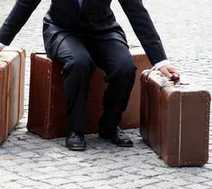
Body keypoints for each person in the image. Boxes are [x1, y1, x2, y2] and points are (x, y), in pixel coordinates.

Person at [0, 0, 179, 151]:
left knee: (124, 68)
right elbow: (25, 4)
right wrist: (1, 41)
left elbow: (137, 12)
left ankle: (109, 126)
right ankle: (75, 130)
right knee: (78, 62)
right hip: (61, 30)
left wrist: (161, 60)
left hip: (104, 30)